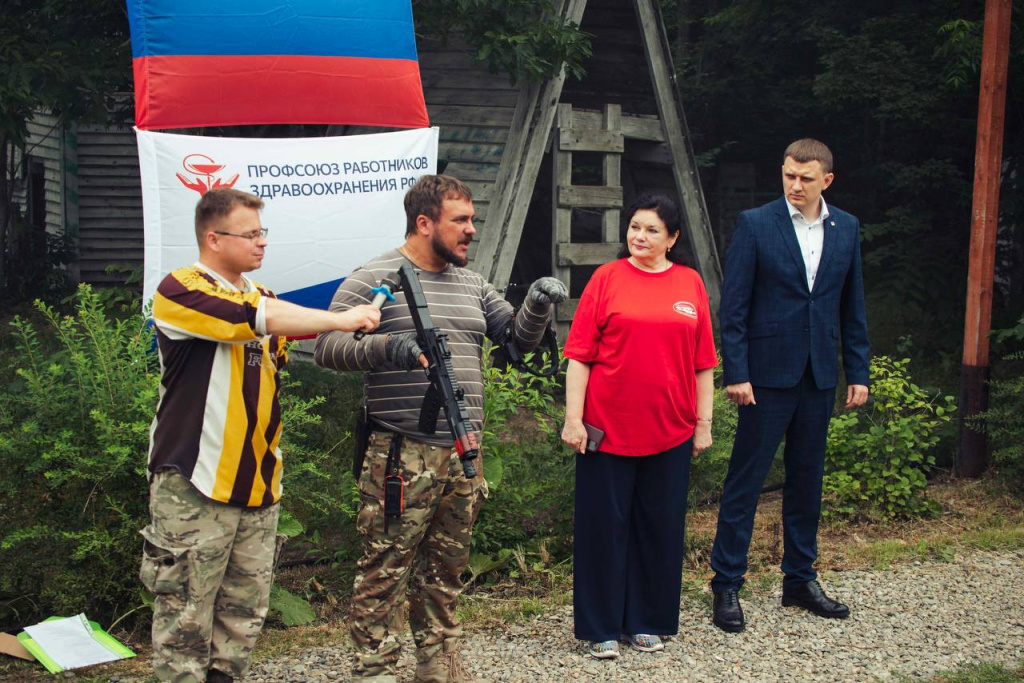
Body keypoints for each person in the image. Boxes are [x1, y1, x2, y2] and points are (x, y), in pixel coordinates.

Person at [313, 174, 567, 683]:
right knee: (384, 570)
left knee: (446, 571)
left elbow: (515, 343)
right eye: (461, 221)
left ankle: (439, 667)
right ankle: (375, 671)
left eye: (472, 220)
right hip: (399, 453)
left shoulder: (472, 283)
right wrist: (390, 348)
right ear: (424, 223)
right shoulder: (377, 276)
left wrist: (538, 304)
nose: (472, 230)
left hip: (462, 452)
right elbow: (326, 347)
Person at [141, 188, 381, 682]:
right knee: (185, 616)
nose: (261, 243)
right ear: (213, 238)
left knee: (242, 616)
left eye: (262, 233)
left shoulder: (263, 295)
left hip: (258, 485)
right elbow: (250, 322)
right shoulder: (181, 289)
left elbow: (274, 333)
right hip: (195, 479)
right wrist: (340, 319)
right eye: (249, 234)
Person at [709, 139, 870, 633]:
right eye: (788, 176)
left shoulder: (846, 228)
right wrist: (735, 372)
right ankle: (726, 583)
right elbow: (732, 307)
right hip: (764, 377)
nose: (795, 186)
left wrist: (857, 371)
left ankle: (799, 580)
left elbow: (852, 306)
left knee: (807, 480)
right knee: (747, 482)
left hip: (819, 375)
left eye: (805, 178)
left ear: (828, 180)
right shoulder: (756, 224)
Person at [560, 194, 718, 659]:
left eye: (651, 230)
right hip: (606, 431)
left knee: (660, 527)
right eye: (634, 227)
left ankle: (646, 620)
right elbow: (579, 357)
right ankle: (602, 627)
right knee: (603, 530)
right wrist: (574, 420)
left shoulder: (690, 284)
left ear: (672, 238)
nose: (639, 236)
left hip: (670, 431)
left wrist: (703, 424)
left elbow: (703, 364)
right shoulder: (606, 279)